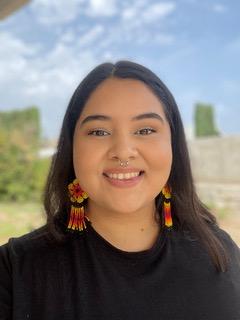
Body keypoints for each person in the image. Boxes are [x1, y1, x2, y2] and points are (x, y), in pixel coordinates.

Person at [0, 60, 239, 320]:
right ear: (72, 148)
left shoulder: (220, 253)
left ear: (173, 143)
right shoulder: (14, 272)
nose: (123, 151)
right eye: (99, 131)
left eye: (146, 129)